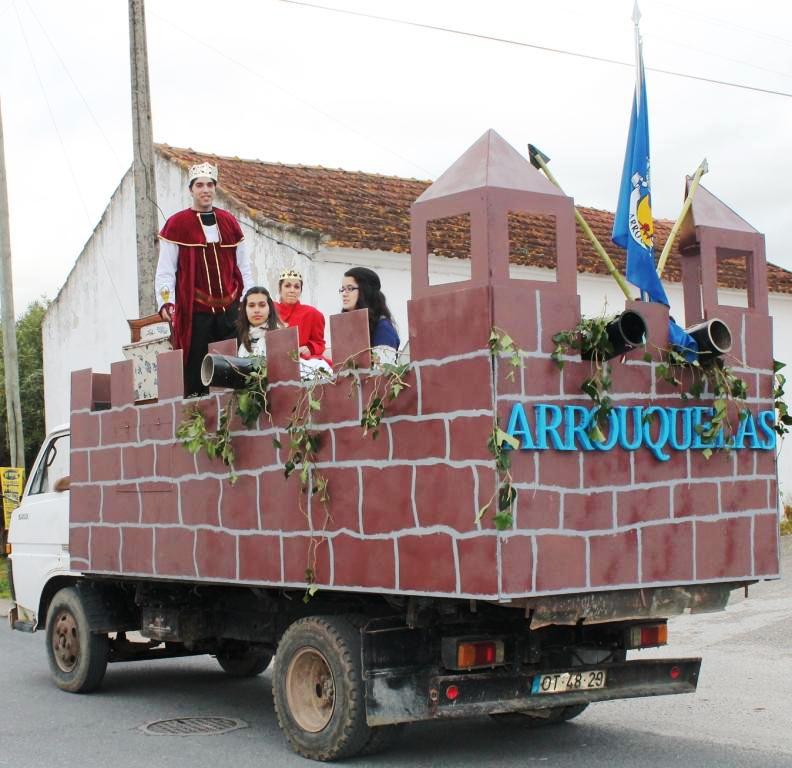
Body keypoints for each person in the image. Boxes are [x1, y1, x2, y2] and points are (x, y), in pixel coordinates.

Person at [155, 161, 253, 395]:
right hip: (196, 311)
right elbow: (166, 269)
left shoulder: (229, 222)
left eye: (210, 184)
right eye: (199, 185)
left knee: (233, 366)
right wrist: (166, 301)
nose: (205, 189)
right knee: (197, 369)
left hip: (230, 310)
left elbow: (243, 267)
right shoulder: (177, 224)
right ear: (191, 189)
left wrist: (248, 297)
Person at [275, 269, 332, 377]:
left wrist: (310, 348)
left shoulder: (313, 313)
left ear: (301, 290)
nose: (292, 290)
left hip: (301, 365)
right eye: (287, 286)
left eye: (297, 287)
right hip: (272, 363)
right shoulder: (270, 309)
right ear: (279, 289)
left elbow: (319, 343)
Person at [340, 267, 400, 365]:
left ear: (365, 290)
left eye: (350, 288)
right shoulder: (347, 327)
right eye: (342, 289)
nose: (344, 294)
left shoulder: (382, 327)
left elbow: (383, 372)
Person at [236, 286, 282, 358]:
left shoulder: (282, 338)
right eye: (251, 305)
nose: (256, 310)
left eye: (262, 305)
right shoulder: (237, 338)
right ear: (245, 310)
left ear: (269, 308)